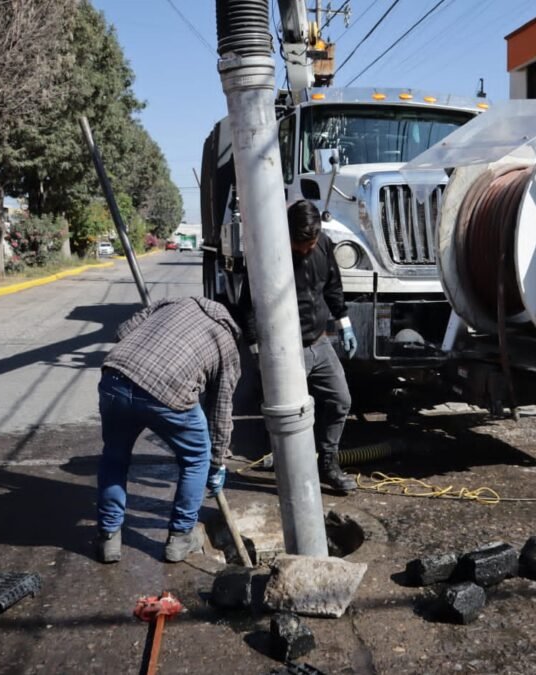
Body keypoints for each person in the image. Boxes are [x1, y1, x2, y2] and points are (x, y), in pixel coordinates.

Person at [95, 296, 241, 564]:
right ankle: (179, 538)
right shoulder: (227, 342)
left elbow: (122, 332)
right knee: (197, 458)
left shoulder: (175, 302)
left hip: (115, 377)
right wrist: (217, 462)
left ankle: (108, 537)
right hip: (168, 391)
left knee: (114, 457)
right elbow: (220, 410)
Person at [239, 200, 359, 495]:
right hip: (286, 350)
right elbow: (248, 306)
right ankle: (288, 471)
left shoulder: (324, 245)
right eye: (300, 244)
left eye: (311, 243)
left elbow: (332, 286)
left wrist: (344, 323)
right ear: (286, 234)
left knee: (340, 401)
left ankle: (328, 465)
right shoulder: (268, 256)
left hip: (319, 342)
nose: (306, 250)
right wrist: (257, 351)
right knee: (288, 416)